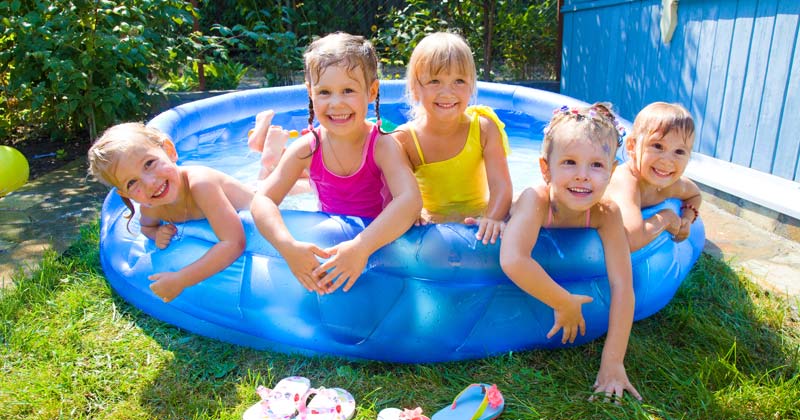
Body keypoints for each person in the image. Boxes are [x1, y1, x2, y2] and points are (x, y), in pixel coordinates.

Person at [250, 32, 422, 295]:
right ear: (310, 93)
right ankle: (268, 152)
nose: (336, 103)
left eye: (348, 90)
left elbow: (410, 201)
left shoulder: (382, 146)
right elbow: (261, 200)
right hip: (333, 239)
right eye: (325, 92)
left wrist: (362, 246)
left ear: (372, 91)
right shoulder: (307, 148)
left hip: (379, 246)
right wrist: (288, 247)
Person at [499, 103, 642, 401]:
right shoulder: (534, 200)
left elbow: (622, 286)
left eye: (596, 166)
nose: (582, 176)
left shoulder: (607, 213)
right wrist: (563, 301)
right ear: (545, 168)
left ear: (612, 172)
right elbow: (513, 258)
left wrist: (613, 361)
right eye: (569, 162)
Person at [87, 122, 253, 302]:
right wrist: (156, 233)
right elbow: (146, 227)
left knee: (271, 193)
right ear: (125, 195)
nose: (149, 183)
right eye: (132, 183)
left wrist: (181, 279)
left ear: (169, 150)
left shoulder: (202, 185)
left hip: (261, 203)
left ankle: (268, 148)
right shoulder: (151, 207)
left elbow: (234, 243)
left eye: (149, 163)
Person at [393, 32, 512, 245]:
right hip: (431, 228)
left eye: (459, 81)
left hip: (479, 221)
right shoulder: (405, 140)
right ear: (415, 88)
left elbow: (501, 186)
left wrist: (492, 218)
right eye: (435, 81)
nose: (447, 92)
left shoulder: (483, 128)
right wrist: (412, 214)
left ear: (471, 86)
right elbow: (395, 195)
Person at [605, 102, 701, 251]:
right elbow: (631, 240)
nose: (667, 160)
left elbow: (695, 194)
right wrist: (666, 218)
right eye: (657, 146)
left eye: (679, 152)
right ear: (631, 146)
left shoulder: (671, 185)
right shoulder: (625, 181)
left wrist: (687, 217)